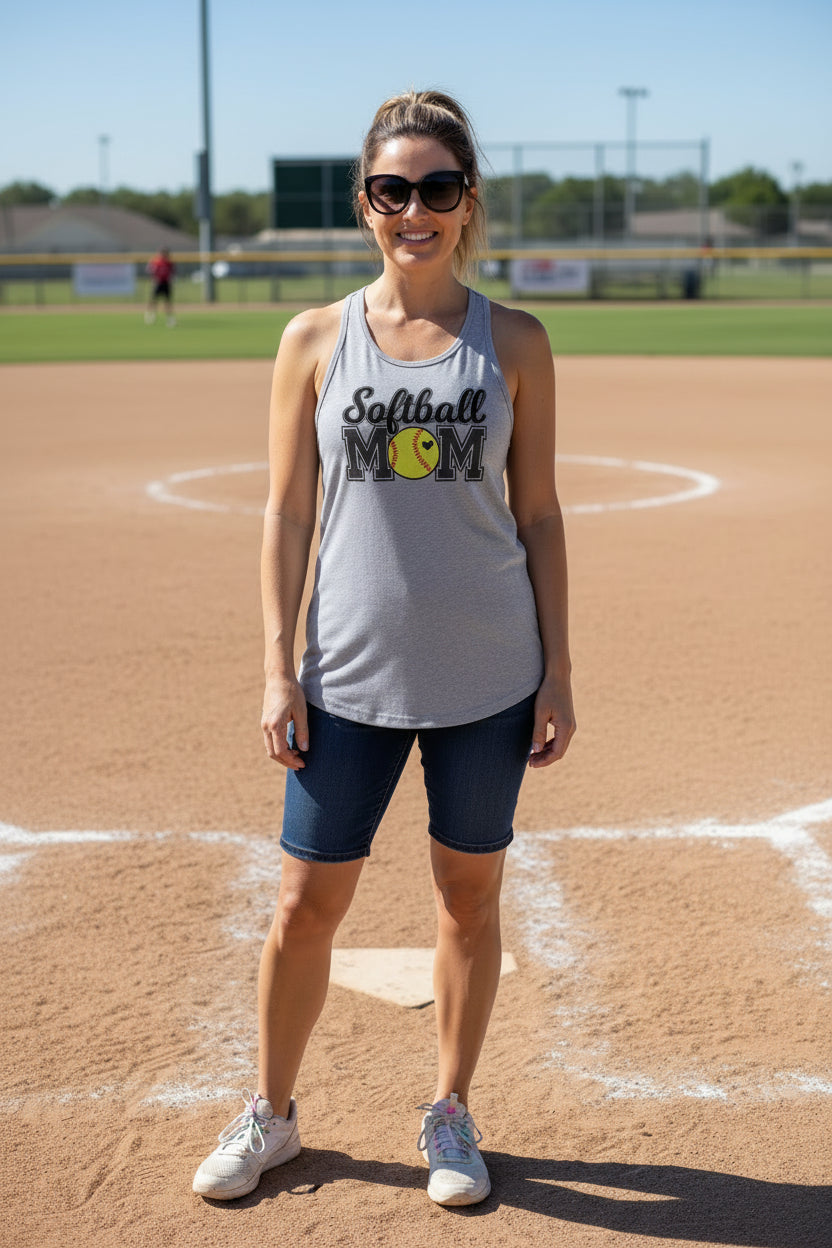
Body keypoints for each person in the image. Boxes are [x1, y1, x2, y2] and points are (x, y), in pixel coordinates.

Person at [193, 88, 575, 1208]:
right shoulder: (314, 338)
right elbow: (284, 514)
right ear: (365, 205)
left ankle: (449, 1112)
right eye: (393, 189)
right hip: (345, 676)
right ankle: (272, 1112)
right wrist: (275, 665)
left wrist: (559, 668)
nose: (415, 208)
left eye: (438, 189)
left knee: (467, 898)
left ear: (468, 204)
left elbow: (540, 512)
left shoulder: (516, 340)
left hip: (488, 676)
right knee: (304, 904)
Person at [145, 247, 176, 325]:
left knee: (167, 302)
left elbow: (172, 273)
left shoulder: (169, 263)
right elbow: (150, 270)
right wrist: (153, 279)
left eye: (166, 253)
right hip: (158, 283)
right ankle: (151, 315)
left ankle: (170, 318)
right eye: (163, 253)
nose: (164, 255)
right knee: (153, 300)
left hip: (166, 283)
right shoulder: (156, 262)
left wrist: (171, 280)